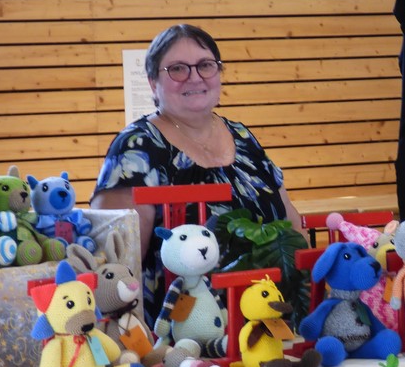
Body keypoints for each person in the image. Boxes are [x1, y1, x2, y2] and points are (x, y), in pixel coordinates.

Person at [91, 23, 304, 320]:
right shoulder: (135, 148)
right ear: (153, 82)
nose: (194, 77)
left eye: (205, 65)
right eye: (178, 69)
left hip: (270, 319)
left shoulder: (243, 137)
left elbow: (292, 226)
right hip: (180, 332)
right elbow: (117, 265)